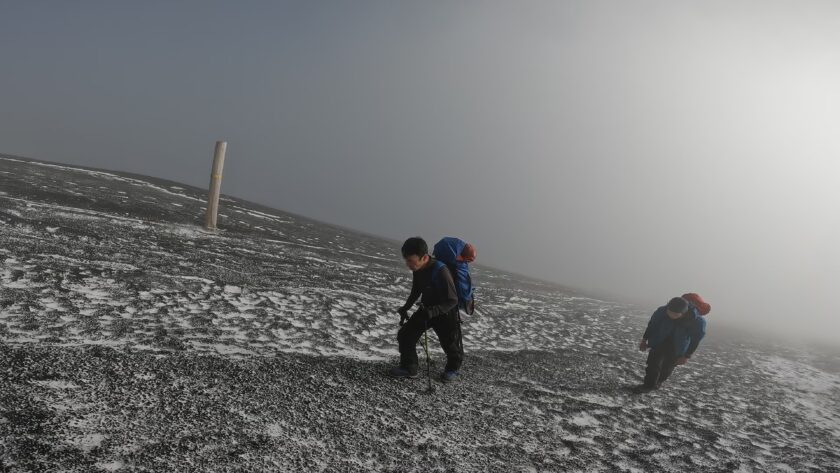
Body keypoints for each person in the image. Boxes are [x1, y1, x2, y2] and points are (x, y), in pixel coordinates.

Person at [389, 237, 464, 383]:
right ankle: (409, 367)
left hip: (445, 313)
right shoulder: (418, 268)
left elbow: (453, 300)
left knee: (450, 345)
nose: (408, 264)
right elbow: (416, 290)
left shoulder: (441, 271)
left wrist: (433, 311)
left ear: (424, 257)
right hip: (426, 309)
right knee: (405, 335)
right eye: (406, 260)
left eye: (411, 260)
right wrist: (405, 308)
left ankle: (452, 370)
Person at [634, 296, 706, 393]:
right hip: (659, 340)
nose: (671, 316)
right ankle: (648, 385)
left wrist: (686, 356)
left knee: (667, 367)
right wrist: (644, 339)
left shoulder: (697, 321)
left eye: (675, 314)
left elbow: (696, 339)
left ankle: (658, 382)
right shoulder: (661, 311)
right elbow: (652, 324)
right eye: (669, 312)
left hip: (678, 346)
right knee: (652, 364)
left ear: (683, 313)